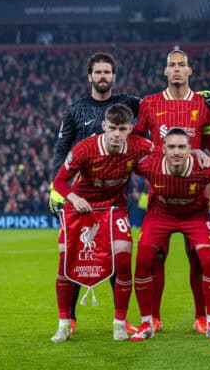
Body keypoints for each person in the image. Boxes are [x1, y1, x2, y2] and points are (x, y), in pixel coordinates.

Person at [49, 52, 141, 335]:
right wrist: (57, 191)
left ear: (114, 76)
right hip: (80, 191)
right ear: (90, 76)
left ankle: (120, 319)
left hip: (115, 193)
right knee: (76, 257)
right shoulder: (74, 110)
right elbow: (61, 151)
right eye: (98, 72)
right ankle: (70, 319)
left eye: (107, 72)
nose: (103, 77)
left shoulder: (128, 103)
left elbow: (162, 105)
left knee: (119, 257)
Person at [133, 49, 210, 334]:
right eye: (172, 65)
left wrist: (200, 152)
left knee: (198, 257)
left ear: (190, 71)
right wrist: (156, 156)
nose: (177, 69)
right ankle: (153, 317)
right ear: (165, 72)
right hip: (161, 194)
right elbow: (137, 140)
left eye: (182, 65)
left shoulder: (203, 104)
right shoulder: (150, 103)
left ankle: (202, 317)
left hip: (194, 195)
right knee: (153, 257)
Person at [130, 127, 210, 341]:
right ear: (163, 149)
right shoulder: (149, 165)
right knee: (143, 258)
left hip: (194, 215)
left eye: (182, 147)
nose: (177, 152)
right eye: (171, 147)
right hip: (160, 214)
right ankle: (147, 321)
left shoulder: (204, 167)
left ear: (190, 149)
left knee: (208, 259)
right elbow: (129, 162)